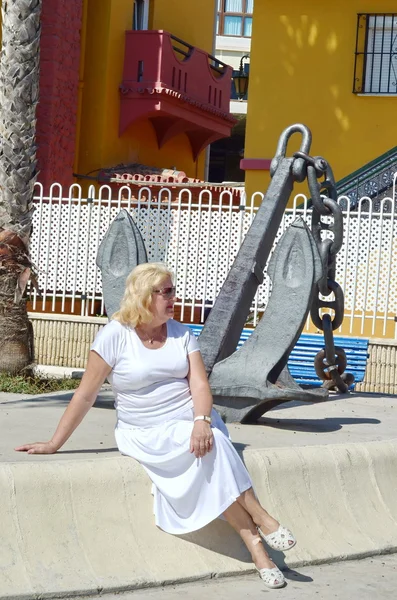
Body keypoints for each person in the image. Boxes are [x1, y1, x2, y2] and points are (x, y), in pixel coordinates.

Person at [15, 262, 296, 589]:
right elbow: (85, 396)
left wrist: (202, 420)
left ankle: (257, 548)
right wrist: (54, 443)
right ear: (142, 297)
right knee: (212, 455)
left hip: (191, 417)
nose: (171, 298)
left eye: (171, 290)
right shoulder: (114, 335)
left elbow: (201, 387)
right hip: (144, 430)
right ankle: (263, 521)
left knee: (211, 445)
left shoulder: (181, 333)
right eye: (162, 292)